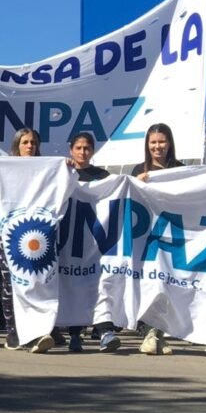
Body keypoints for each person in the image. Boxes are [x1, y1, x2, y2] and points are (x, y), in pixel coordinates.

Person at [0, 128, 56, 354]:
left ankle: (38, 330)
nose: (29, 146)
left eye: (33, 142)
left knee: (37, 281)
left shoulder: (45, 168)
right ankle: (13, 331)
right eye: (25, 142)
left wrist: (67, 168)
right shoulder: (5, 168)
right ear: (17, 145)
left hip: (37, 237)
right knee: (10, 284)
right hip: (10, 236)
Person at [129, 124, 183, 355]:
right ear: (147, 145)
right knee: (151, 282)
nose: (157, 146)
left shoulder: (181, 169)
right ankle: (150, 332)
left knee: (167, 284)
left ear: (169, 143)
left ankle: (158, 334)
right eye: (153, 142)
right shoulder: (139, 169)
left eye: (161, 142)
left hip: (173, 235)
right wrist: (137, 183)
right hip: (147, 237)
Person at [64, 131, 120, 353]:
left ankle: (105, 331)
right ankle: (75, 335)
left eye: (86, 148)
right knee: (74, 285)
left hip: (97, 241)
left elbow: (119, 191)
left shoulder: (103, 176)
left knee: (101, 284)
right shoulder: (64, 173)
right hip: (71, 241)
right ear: (71, 150)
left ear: (92, 151)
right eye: (78, 148)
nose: (82, 152)